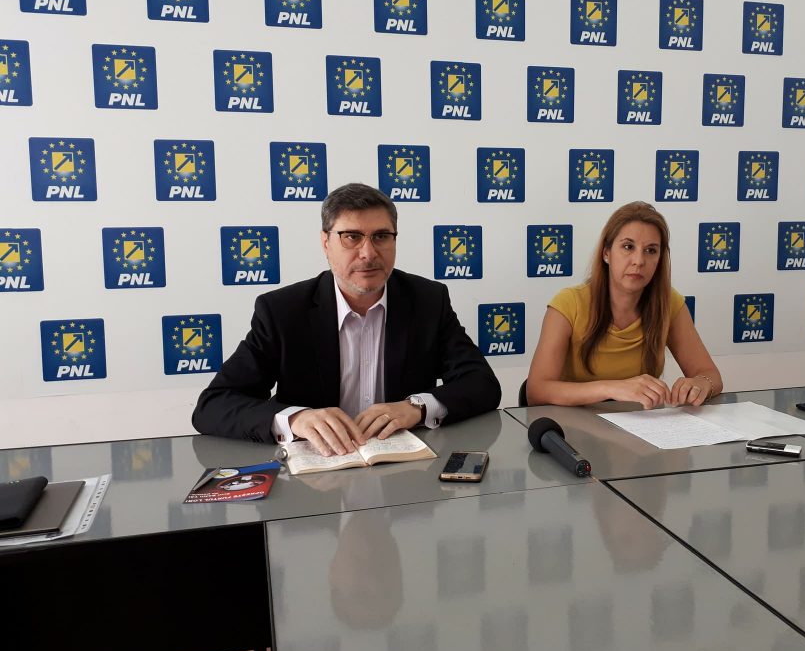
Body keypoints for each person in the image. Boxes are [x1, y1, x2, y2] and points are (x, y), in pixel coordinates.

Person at [193, 183, 501, 454]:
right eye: (351, 237)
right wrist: (296, 418)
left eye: (381, 236)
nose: (368, 253)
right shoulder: (283, 310)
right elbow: (213, 405)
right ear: (326, 243)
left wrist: (417, 407)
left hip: (404, 470)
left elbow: (482, 384)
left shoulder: (428, 301)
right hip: (315, 477)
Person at [526, 201, 721, 409]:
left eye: (651, 250)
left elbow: (710, 375)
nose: (639, 260)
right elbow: (537, 391)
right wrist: (611, 389)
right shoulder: (568, 304)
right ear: (606, 253)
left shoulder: (670, 304)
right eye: (628, 247)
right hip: (573, 424)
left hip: (640, 425)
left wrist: (701, 384)